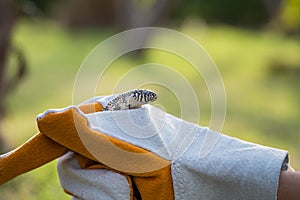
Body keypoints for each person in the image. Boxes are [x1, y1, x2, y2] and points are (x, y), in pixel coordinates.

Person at [0, 94, 299, 199]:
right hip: (166, 162)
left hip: (174, 155)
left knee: (257, 175)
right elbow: (52, 124)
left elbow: (53, 124)